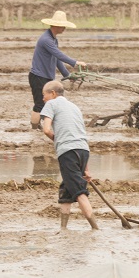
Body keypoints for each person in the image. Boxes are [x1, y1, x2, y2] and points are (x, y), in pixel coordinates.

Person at [40, 80, 98, 230]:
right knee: (66, 190)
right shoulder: (74, 107)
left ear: (52, 94)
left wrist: (57, 139)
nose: (43, 98)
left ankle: (96, 229)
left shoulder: (51, 104)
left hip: (68, 152)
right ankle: (63, 228)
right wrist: (86, 169)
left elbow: (46, 129)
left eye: (44, 95)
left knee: (79, 192)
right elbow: (80, 135)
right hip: (83, 150)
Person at [29, 10, 87, 130]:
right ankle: (34, 129)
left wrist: (67, 74)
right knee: (40, 104)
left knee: (49, 103)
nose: (64, 28)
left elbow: (56, 59)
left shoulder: (53, 39)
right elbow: (59, 55)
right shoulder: (46, 40)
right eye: (62, 26)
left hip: (47, 77)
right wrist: (75, 63)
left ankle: (43, 127)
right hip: (38, 76)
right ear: (55, 25)